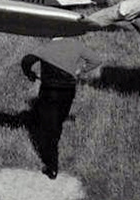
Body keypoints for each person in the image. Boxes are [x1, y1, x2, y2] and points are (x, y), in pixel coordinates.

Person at [21, 38, 101, 180]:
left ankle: (52, 166)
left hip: (49, 91)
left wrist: (31, 75)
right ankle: (54, 148)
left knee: (48, 128)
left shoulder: (47, 46)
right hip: (68, 91)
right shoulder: (77, 45)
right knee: (58, 122)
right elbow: (95, 60)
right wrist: (80, 70)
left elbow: (27, 60)